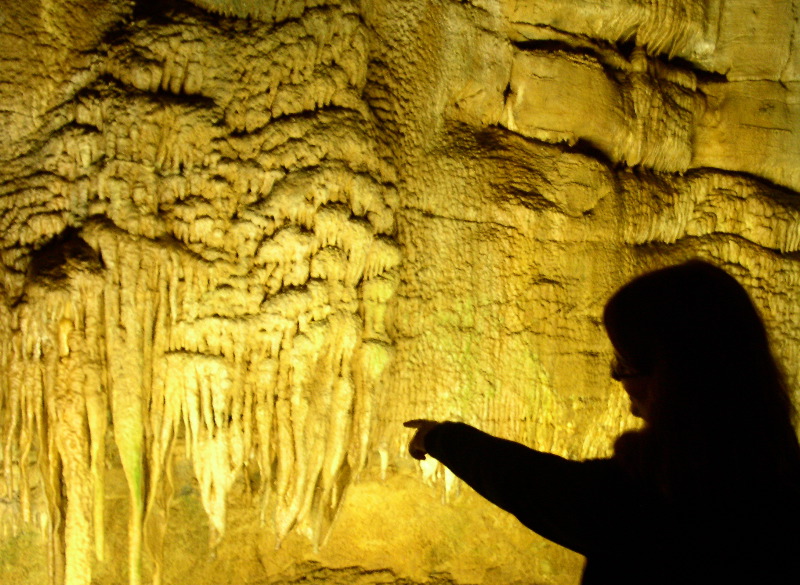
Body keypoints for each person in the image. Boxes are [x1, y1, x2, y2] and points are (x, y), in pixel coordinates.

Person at [405, 260, 800, 584]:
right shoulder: (775, 471)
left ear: (676, 377)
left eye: (626, 363)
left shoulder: (665, 498)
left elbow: (541, 489)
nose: (617, 378)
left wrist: (442, 439)